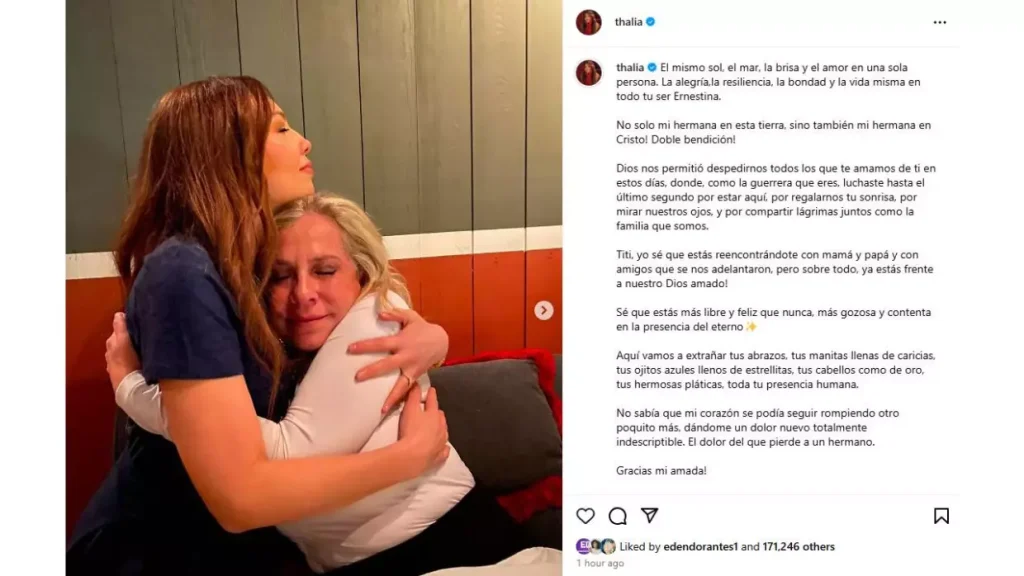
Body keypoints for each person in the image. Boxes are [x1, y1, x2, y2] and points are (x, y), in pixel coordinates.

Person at [66, 76, 452, 575]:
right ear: (225, 151)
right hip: (157, 547)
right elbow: (240, 498)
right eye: (281, 129)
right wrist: (409, 457)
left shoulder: (237, 270)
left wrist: (434, 339)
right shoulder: (184, 271)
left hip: (223, 545)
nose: (304, 142)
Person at [108, 194, 532, 574]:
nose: (303, 293)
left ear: (362, 273)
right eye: (280, 276)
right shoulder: (267, 354)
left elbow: (288, 455)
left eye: (325, 270)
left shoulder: (379, 320)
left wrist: (133, 391)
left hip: (452, 548)